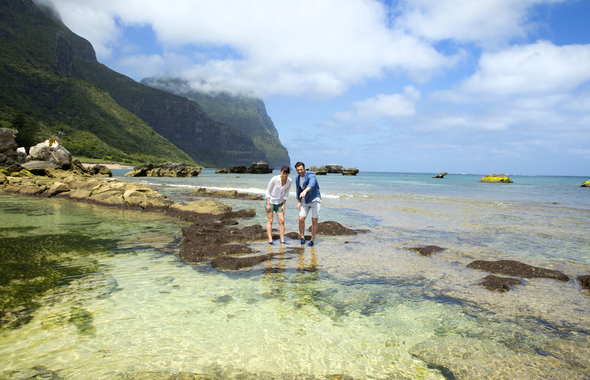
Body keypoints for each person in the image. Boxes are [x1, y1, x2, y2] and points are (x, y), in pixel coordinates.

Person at [295, 161, 321, 246]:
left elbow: (312, 184)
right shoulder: (297, 178)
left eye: (301, 169)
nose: (300, 171)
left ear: (304, 168)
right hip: (304, 200)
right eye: (298, 170)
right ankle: (302, 237)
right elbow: (298, 190)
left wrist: (305, 191)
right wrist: (298, 202)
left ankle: (312, 240)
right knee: (301, 219)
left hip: (314, 199)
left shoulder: (311, 174)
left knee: (314, 220)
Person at [265, 166, 292, 245]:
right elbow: (268, 191)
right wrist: (268, 204)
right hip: (271, 201)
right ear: (281, 172)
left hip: (280, 202)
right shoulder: (274, 179)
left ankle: (282, 240)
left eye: (286, 174)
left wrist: (284, 205)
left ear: (288, 174)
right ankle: (270, 240)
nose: (284, 175)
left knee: (282, 221)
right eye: (283, 173)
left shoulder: (289, 181)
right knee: (270, 220)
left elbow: (286, 193)